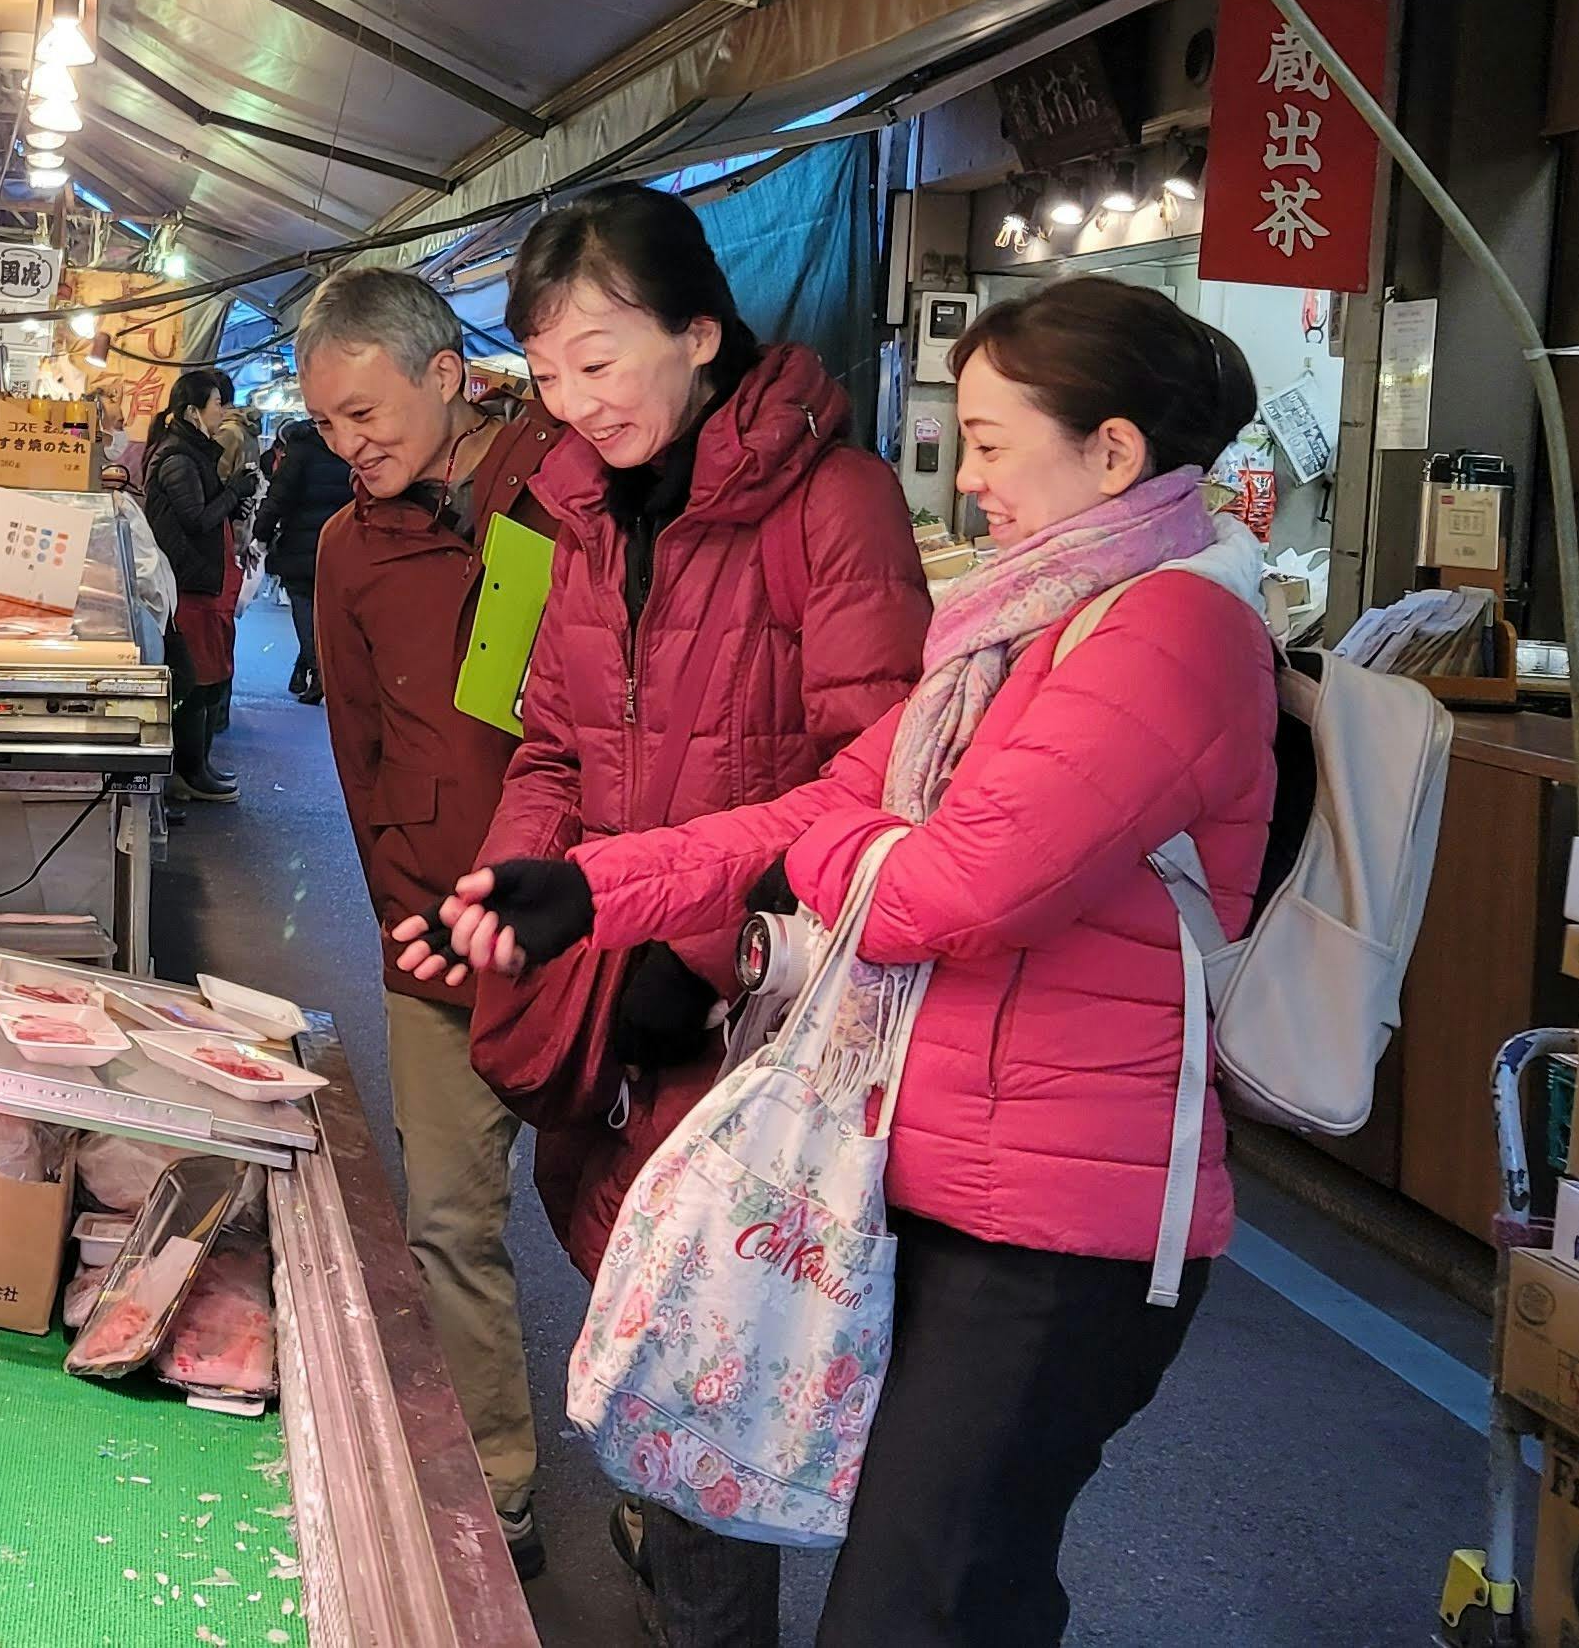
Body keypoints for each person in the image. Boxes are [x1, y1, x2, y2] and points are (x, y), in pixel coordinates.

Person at [429, 277, 1274, 1648]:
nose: (969, 473)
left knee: (917, 1602)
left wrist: (855, 852)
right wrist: (587, 886)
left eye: (995, 441)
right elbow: (825, 809)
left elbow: (946, 890)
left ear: (1111, 452)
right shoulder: (1019, 631)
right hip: (926, 1184)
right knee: (946, 1583)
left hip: (1062, 1230)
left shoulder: (1172, 631)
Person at [396, 183, 927, 1644]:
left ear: (700, 332)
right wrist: (517, 899)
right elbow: (554, 748)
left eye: (600, 362)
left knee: (714, 1350)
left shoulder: (837, 504)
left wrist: (694, 950)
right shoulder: (570, 510)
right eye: (549, 375)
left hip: (759, 1012)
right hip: (620, 979)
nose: (572, 406)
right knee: (649, 1318)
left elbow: (867, 777)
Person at [294, 266, 567, 1577]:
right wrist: (404, 910)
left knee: (633, 1230)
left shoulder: (572, 498)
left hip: (592, 933)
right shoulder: (350, 546)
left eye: (364, 414)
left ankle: (682, 1512)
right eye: (328, 427)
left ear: (444, 373)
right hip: (439, 940)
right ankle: (494, 1489)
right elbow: (357, 751)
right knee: (450, 1224)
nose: (350, 447)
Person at [140, 366, 243, 803]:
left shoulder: (193, 451)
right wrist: (236, 491)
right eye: (218, 403)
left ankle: (197, 767)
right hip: (188, 584)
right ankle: (189, 771)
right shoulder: (179, 457)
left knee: (204, 678)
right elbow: (195, 518)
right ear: (193, 410)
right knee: (194, 680)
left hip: (201, 581)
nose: (224, 411)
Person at [254, 415, 352, 701]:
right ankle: (305, 670)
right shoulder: (348, 446)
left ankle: (318, 670)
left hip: (301, 541)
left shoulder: (302, 449)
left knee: (304, 604)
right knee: (327, 612)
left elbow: (279, 495)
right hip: (341, 542)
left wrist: (262, 531)